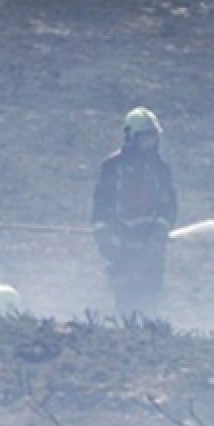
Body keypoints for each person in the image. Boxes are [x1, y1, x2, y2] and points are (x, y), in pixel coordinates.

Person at [91, 106, 178, 315]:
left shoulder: (160, 169)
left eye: (153, 138)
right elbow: (101, 205)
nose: (151, 143)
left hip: (151, 246)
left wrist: (160, 230)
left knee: (150, 298)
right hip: (121, 245)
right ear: (131, 138)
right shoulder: (112, 167)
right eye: (145, 138)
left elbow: (169, 205)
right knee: (125, 298)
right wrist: (106, 239)